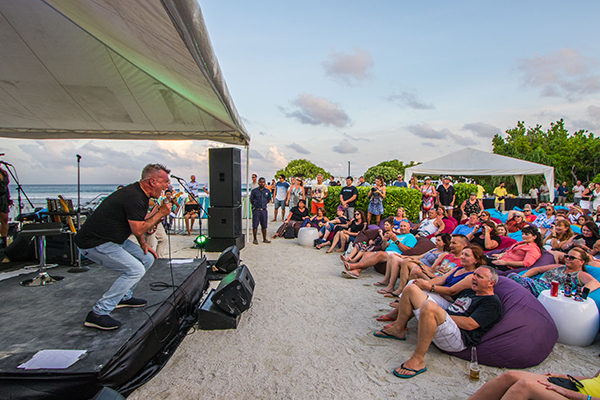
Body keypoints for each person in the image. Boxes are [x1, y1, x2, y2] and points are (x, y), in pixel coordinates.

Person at [75, 164, 172, 330]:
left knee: (147, 258)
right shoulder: (134, 197)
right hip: (94, 242)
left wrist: (143, 244)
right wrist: (160, 213)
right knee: (135, 270)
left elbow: (137, 224)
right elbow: (139, 228)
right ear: (152, 181)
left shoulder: (140, 195)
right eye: (165, 182)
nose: (167, 186)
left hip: (113, 239)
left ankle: (124, 297)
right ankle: (98, 313)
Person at [374, 265, 502, 379]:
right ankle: (398, 329)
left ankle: (418, 359)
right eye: (474, 274)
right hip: (446, 321)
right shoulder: (471, 291)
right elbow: (450, 297)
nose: (473, 277)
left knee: (429, 306)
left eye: (479, 276)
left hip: (458, 337)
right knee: (411, 288)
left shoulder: (491, 302)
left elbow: (470, 324)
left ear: (491, 283)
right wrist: (428, 289)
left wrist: (440, 314)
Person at [377, 245, 485, 321]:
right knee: (413, 284)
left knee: (414, 290)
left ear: (476, 260)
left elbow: (451, 291)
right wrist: (422, 282)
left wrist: (429, 287)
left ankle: (398, 319)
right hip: (440, 293)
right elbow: (440, 280)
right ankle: (398, 317)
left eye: (467, 255)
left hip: (449, 301)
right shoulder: (458, 268)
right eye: (463, 254)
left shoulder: (471, 276)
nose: (462, 257)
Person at [375, 233, 452, 296]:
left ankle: (401, 290)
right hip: (417, 262)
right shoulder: (434, 249)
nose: (436, 242)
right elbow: (419, 256)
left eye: (438, 240)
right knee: (393, 257)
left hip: (423, 267)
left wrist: (418, 262)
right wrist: (403, 256)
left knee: (406, 262)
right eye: (436, 240)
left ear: (445, 243)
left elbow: (432, 269)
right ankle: (389, 283)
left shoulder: (444, 254)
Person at [509, 248, 600, 297]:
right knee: (511, 279)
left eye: (572, 258)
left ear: (582, 262)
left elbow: (595, 283)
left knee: (512, 278)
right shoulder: (560, 266)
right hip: (535, 284)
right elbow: (537, 269)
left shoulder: (580, 274)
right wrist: (524, 276)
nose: (567, 259)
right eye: (566, 256)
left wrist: (577, 293)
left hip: (548, 292)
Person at [342, 220, 416, 278]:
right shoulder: (396, 235)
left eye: (404, 226)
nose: (402, 228)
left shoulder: (410, 237)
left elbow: (407, 250)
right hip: (387, 252)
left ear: (409, 228)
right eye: (401, 226)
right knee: (367, 253)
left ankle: (354, 266)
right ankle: (357, 271)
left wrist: (396, 241)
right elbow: (384, 247)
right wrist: (384, 240)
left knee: (379, 254)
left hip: (396, 254)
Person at [469, 370, 600, 400]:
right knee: (510, 376)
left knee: (525, 385)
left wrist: (567, 392)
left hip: (583, 397)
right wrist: (562, 376)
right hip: (577, 386)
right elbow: (594, 379)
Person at [250, 177, 272, 245]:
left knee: (264, 225)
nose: (262, 183)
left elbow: (268, 200)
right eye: (261, 182)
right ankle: (255, 239)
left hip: (264, 210)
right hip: (256, 209)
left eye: (263, 182)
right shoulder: (254, 191)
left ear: (265, 183)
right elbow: (251, 200)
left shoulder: (267, 191)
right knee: (255, 225)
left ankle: (264, 238)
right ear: (258, 183)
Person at [0, 166, 11, 250]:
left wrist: (8, 199)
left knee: (4, 219)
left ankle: (3, 241)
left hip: (3, 199)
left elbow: (5, 188)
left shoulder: (3, 173)